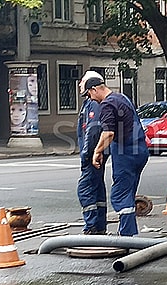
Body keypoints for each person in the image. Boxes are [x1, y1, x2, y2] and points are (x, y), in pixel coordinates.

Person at [82, 71, 149, 236]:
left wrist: (96, 152)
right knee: (129, 191)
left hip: (125, 152)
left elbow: (108, 133)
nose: (90, 98)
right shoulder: (122, 98)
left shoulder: (106, 104)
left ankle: (128, 235)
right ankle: (128, 232)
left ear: (94, 89)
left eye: (89, 94)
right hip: (140, 150)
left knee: (120, 195)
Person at [76, 71, 108, 235]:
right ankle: (99, 226)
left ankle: (92, 227)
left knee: (85, 189)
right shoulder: (93, 103)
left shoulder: (93, 104)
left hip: (92, 155)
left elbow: (93, 130)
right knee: (97, 188)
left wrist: (87, 154)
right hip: (97, 153)